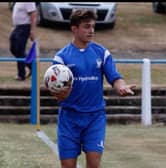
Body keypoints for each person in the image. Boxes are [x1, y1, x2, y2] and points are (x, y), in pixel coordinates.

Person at [52, 9, 136, 168]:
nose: (91, 31)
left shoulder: (102, 53)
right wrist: (61, 94)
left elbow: (114, 76)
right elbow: (57, 91)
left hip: (94, 117)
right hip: (69, 118)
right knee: (68, 166)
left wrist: (121, 86)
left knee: (94, 164)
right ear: (74, 29)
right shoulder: (61, 58)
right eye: (86, 27)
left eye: (92, 27)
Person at [9, 2, 37, 81]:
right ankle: (30, 65)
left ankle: (21, 75)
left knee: (20, 50)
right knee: (13, 49)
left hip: (24, 27)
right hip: (17, 27)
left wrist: (32, 30)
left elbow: (33, 14)